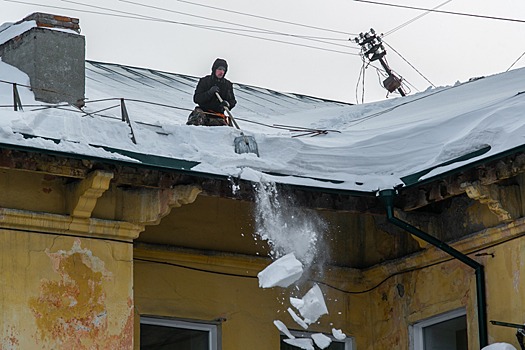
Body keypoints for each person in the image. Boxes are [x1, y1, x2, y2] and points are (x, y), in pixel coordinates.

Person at [187, 58, 237, 126]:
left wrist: (228, 104)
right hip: (203, 112)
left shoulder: (227, 85)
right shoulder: (204, 81)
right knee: (196, 121)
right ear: (214, 69)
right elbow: (197, 99)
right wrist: (209, 93)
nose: (221, 72)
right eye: (219, 69)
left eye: (223, 70)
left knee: (225, 130)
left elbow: (232, 101)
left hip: (218, 115)